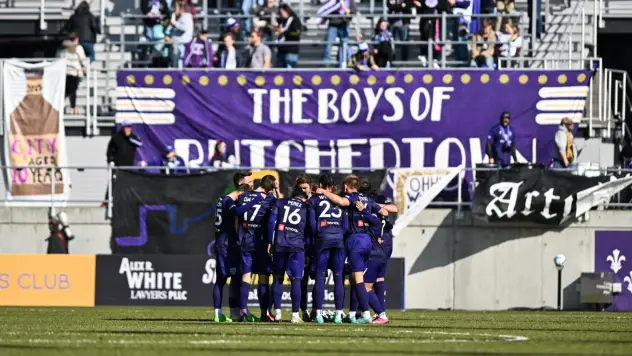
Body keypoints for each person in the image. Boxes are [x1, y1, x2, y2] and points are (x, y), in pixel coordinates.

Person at [316, 175, 389, 324]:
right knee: (356, 280)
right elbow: (384, 213)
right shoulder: (368, 199)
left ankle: (369, 314)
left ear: (346, 187)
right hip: (368, 242)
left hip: (355, 241)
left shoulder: (352, 197)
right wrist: (366, 212)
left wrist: (324, 192)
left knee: (358, 280)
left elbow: (341, 201)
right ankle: (359, 313)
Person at [213, 178, 262, 322]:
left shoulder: (222, 199)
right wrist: (256, 200)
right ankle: (218, 313)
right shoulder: (228, 201)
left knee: (234, 277)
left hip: (228, 243)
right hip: (225, 244)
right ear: (240, 192)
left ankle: (235, 313)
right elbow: (239, 211)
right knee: (222, 279)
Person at [237, 175, 279, 322]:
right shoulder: (270, 199)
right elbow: (276, 215)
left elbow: (239, 217)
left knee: (246, 276)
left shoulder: (245, 196)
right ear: (271, 187)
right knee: (263, 278)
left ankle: (243, 312)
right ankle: (264, 313)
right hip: (261, 242)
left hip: (245, 240)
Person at [308, 173, 347, 324]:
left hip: (322, 239)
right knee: (338, 277)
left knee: (319, 276)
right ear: (331, 187)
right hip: (338, 239)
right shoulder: (339, 200)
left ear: (321, 185)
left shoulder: (314, 200)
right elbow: (344, 225)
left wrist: (318, 237)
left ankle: (318, 314)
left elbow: (312, 224)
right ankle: (338, 314)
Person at [269, 185, 311, 323]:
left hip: (280, 243)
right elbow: (311, 227)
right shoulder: (306, 207)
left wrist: (271, 241)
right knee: (296, 280)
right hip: (296, 245)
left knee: (278, 278)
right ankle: (294, 315)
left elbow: (271, 221)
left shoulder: (280, 202)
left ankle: (278, 313)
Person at [359, 182, 397, 325]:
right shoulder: (368, 209)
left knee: (366, 283)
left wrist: (372, 205)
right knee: (377, 279)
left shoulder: (373, 203)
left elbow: (393, 208)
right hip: (379, 245)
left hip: (379, 245)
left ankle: (379, 313)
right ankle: (377, 312)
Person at [57, 33, 87, 115]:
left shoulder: (61, 47)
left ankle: (60, 104)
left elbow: (58, 58)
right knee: (73, 91)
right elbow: (83, 59)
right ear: (75, 39)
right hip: (74, 72)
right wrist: (86, 70)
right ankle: (73, 107)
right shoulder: (78, 47)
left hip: (64, 72)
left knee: (66, 90)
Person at [323, 0, 355, 68]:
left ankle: (342, 64)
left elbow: (354, 12)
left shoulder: (349, 1)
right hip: (333, 24)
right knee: (328, 44)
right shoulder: (332, 1)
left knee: (344, 45)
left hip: (344, 25)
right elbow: (326, 11)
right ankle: (326, 64)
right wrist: (335, 9)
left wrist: (345, 9)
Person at [165, 2, 194, 68]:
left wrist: (174, 23)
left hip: (181, 41)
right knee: (176, 57)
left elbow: (184, 28)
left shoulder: (185, 17)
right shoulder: (184, 17)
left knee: (178, 58)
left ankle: (177, 72)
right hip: (179, 41)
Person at [275, 3, 302, 68]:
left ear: (287, 11)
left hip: (291, 50)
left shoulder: (295, 20)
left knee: (290, 73)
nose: (281, 14)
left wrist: (285, 31)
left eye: (282, 12)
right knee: (280, 72)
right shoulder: (282, 20)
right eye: (280, 12)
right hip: (281, 50)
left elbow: (297, 33)